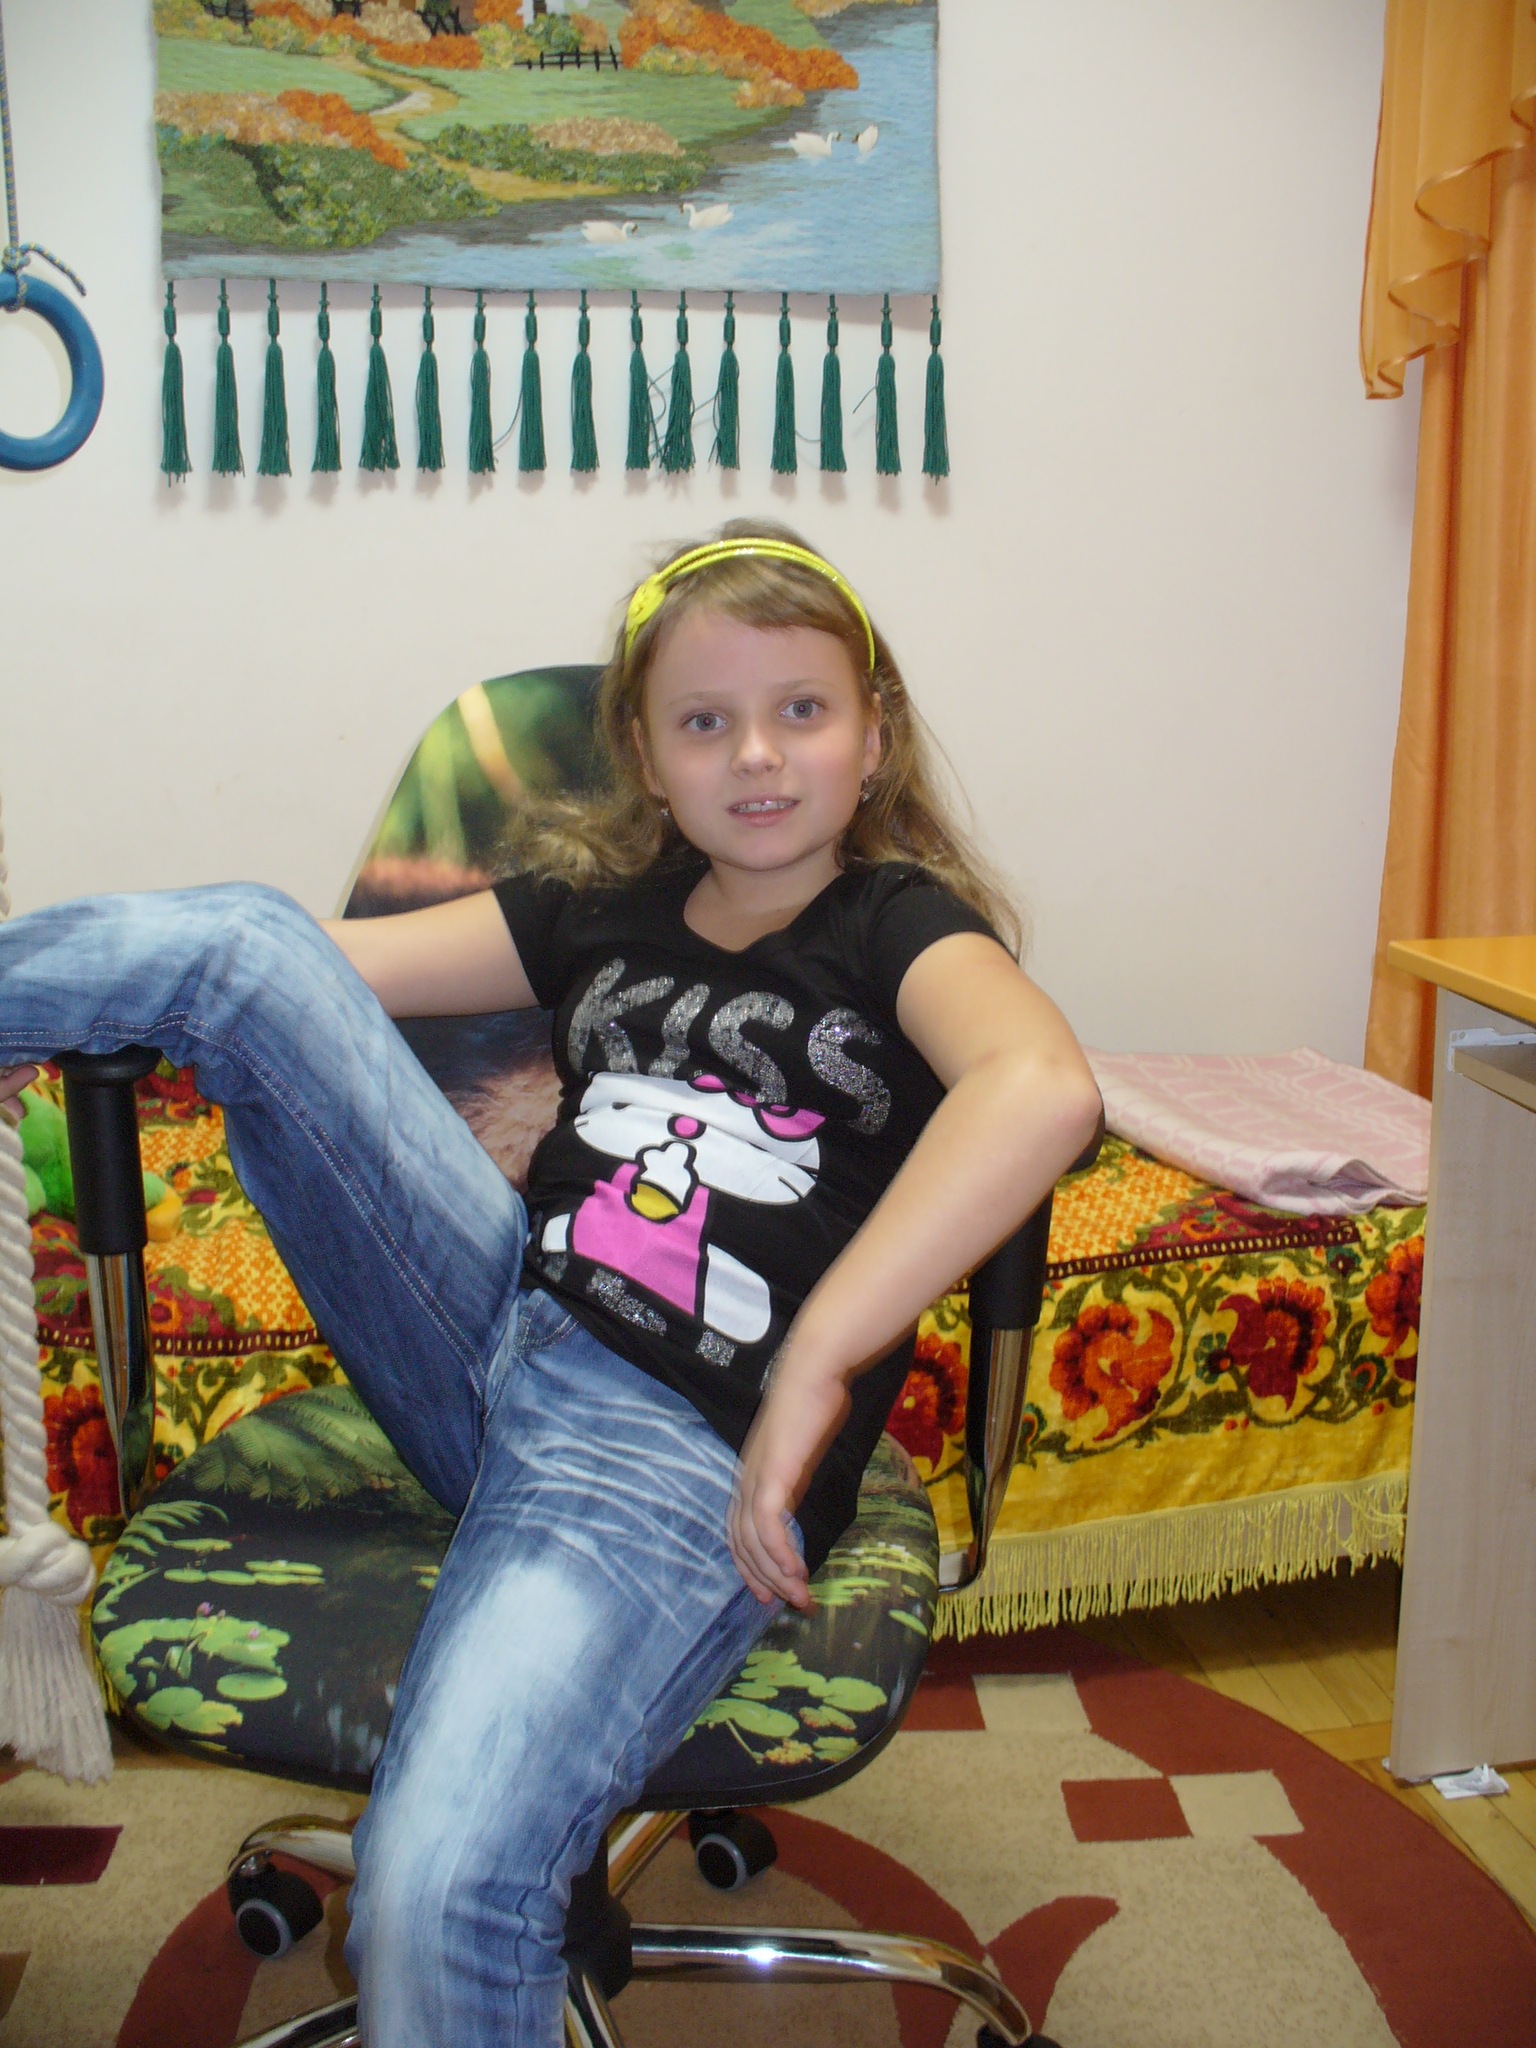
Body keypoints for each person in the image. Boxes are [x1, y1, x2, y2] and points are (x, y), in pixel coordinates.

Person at [0, 523, 1100, 2046]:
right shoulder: (598, 909)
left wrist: (819, 1359)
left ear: (874, 734)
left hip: (673, 1437)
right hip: (488, 1328)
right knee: (250, 950)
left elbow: (1042, 1087)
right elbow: (308, 977)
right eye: (704, 720)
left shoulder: (897, 927)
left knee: (437, 1889)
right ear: (647, 757)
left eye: (802, 709)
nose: (757, 754)